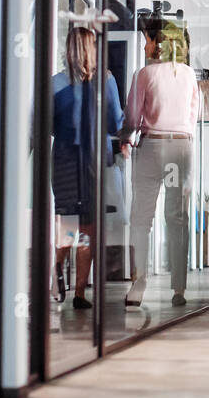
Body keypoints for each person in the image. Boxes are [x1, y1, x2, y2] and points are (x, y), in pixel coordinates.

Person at [121, 18, 200, 308]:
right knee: (177, 219)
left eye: (148, 40)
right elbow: (193, 118)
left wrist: (124, 139)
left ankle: (138, 283)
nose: (145, 44)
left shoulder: (144, 74)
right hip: (180, 147)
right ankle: (178, 287)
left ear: (159, 43)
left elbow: (131, 119)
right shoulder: (189, 75)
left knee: (142, 219)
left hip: (151, 146)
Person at [51, 26, 122, 309]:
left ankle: (56, 275)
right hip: (95, 160)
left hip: (65, 158)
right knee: (89, 228)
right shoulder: (106, 81)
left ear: (68, 50)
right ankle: (80, 293)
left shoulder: (55, 83)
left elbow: (48, 124)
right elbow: (116, 122)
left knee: (69, 223)